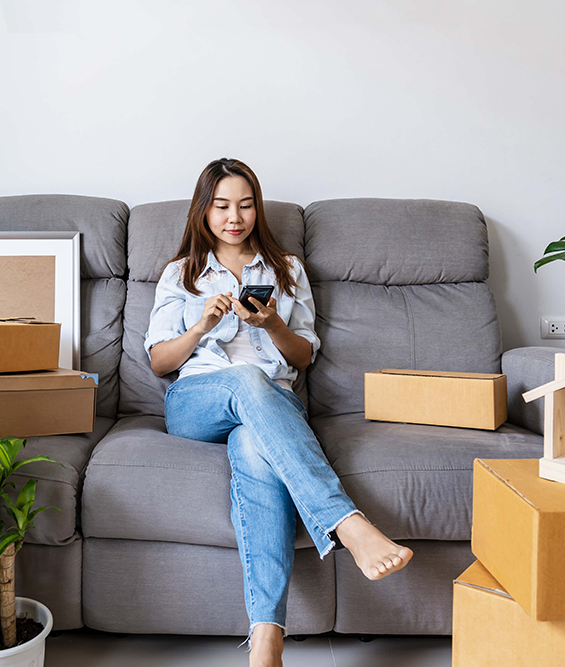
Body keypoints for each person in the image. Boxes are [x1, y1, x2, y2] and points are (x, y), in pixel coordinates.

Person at [145, 158, 413, 667]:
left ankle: (267, 640)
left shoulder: (286, 269)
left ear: (257, 208)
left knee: (253, 441)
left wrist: (270, 324)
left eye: (245, 205)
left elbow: (304, 357)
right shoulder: (179, 274)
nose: (234, 217)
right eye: (222, 206)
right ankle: (348, 523)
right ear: (204, 210)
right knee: (247, 378)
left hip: (271, 405)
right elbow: (160, 361)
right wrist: (200, 325)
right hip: (195, 400)